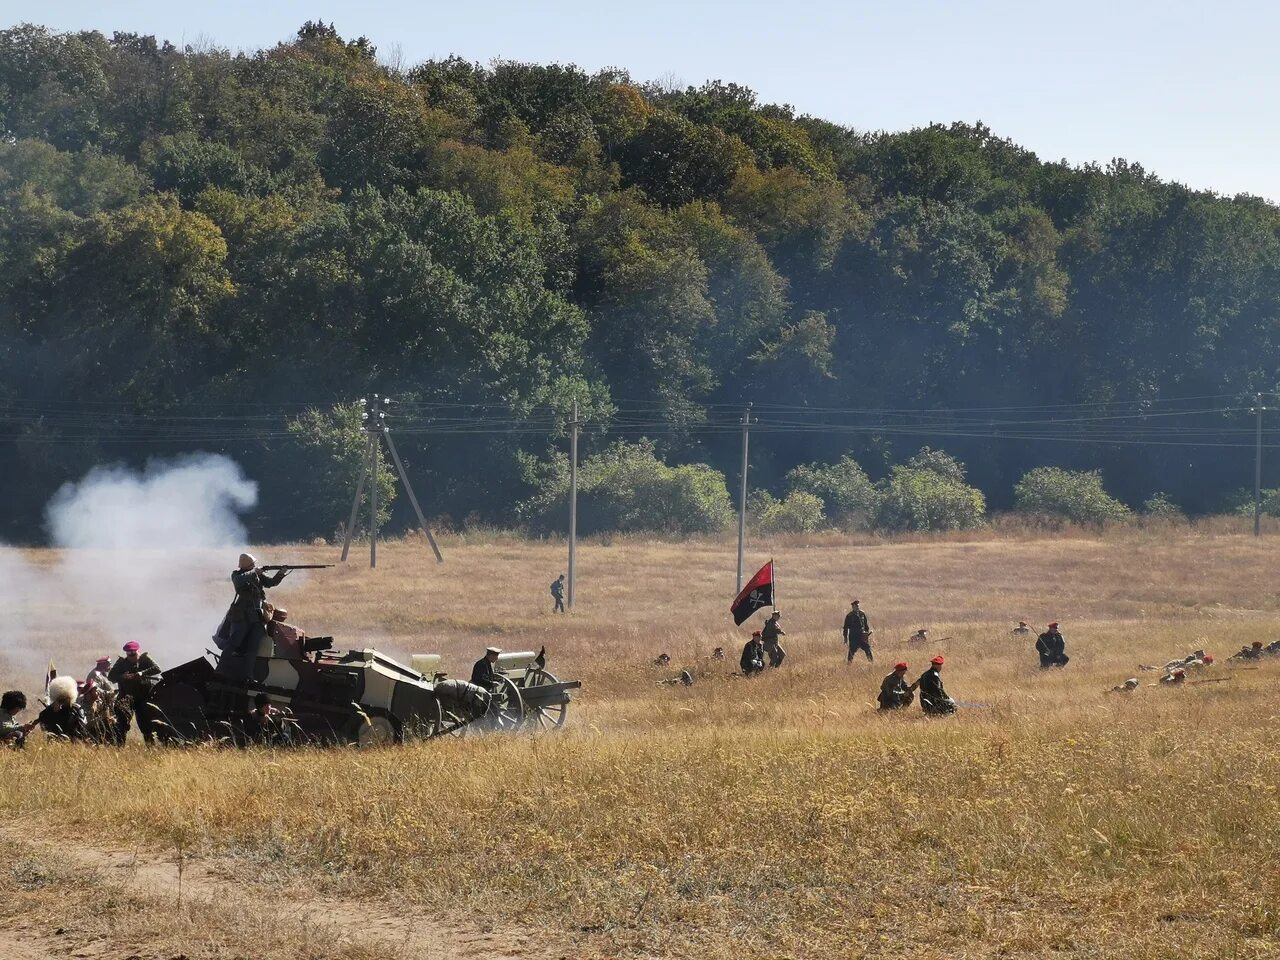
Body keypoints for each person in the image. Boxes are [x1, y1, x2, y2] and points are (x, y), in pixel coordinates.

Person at [217, 553, 288, 656]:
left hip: (257, 616)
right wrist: (255, 572)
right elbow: (238, 581)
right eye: (252, 565)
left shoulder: (255, 574)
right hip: (242, 615)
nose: (254, 566)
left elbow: (271, 582)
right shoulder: (237, 575)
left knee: (253, 648)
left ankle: (248, 671)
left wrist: (281, 573)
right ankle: (222, 668)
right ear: (247, 566)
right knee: (234, 642)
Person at [108, 641, 162, 744]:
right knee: (122, 724)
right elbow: (111, 676)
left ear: (138, 651)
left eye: (134, 653)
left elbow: (157, 669)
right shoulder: (121, 662)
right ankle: (119, 748)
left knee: (146, 725)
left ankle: (150, 747)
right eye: (129, 654)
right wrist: (122, 677)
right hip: (126, 698)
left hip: (144, 698)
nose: (132, 656)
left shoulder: (145, 659)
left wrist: (142, 673)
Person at [36, 677, 88, 741]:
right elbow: (44, 726)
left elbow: (82, 731)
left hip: (73, 744)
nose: (64, 701)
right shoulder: (48, 712)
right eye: (61, 699)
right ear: (56, 698)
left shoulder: (76, 710)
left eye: (66, 698)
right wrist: (53, 712)